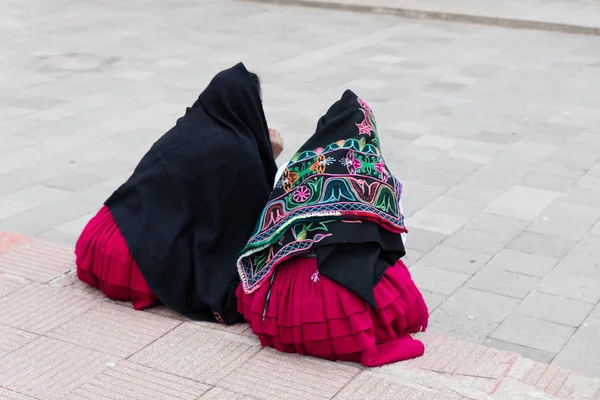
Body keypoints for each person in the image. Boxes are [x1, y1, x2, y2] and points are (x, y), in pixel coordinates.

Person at [75, 63, 283, 324]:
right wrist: (269, 155)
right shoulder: (238, 151)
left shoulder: (189, 126)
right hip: (132, 267)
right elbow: (255, 219)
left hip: (97, 243)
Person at [236, 90, 429, 367]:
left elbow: (268, 233)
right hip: (349, 293)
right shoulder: (386, 179)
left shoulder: (290, 169)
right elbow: (395, 248)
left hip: (289, 299)